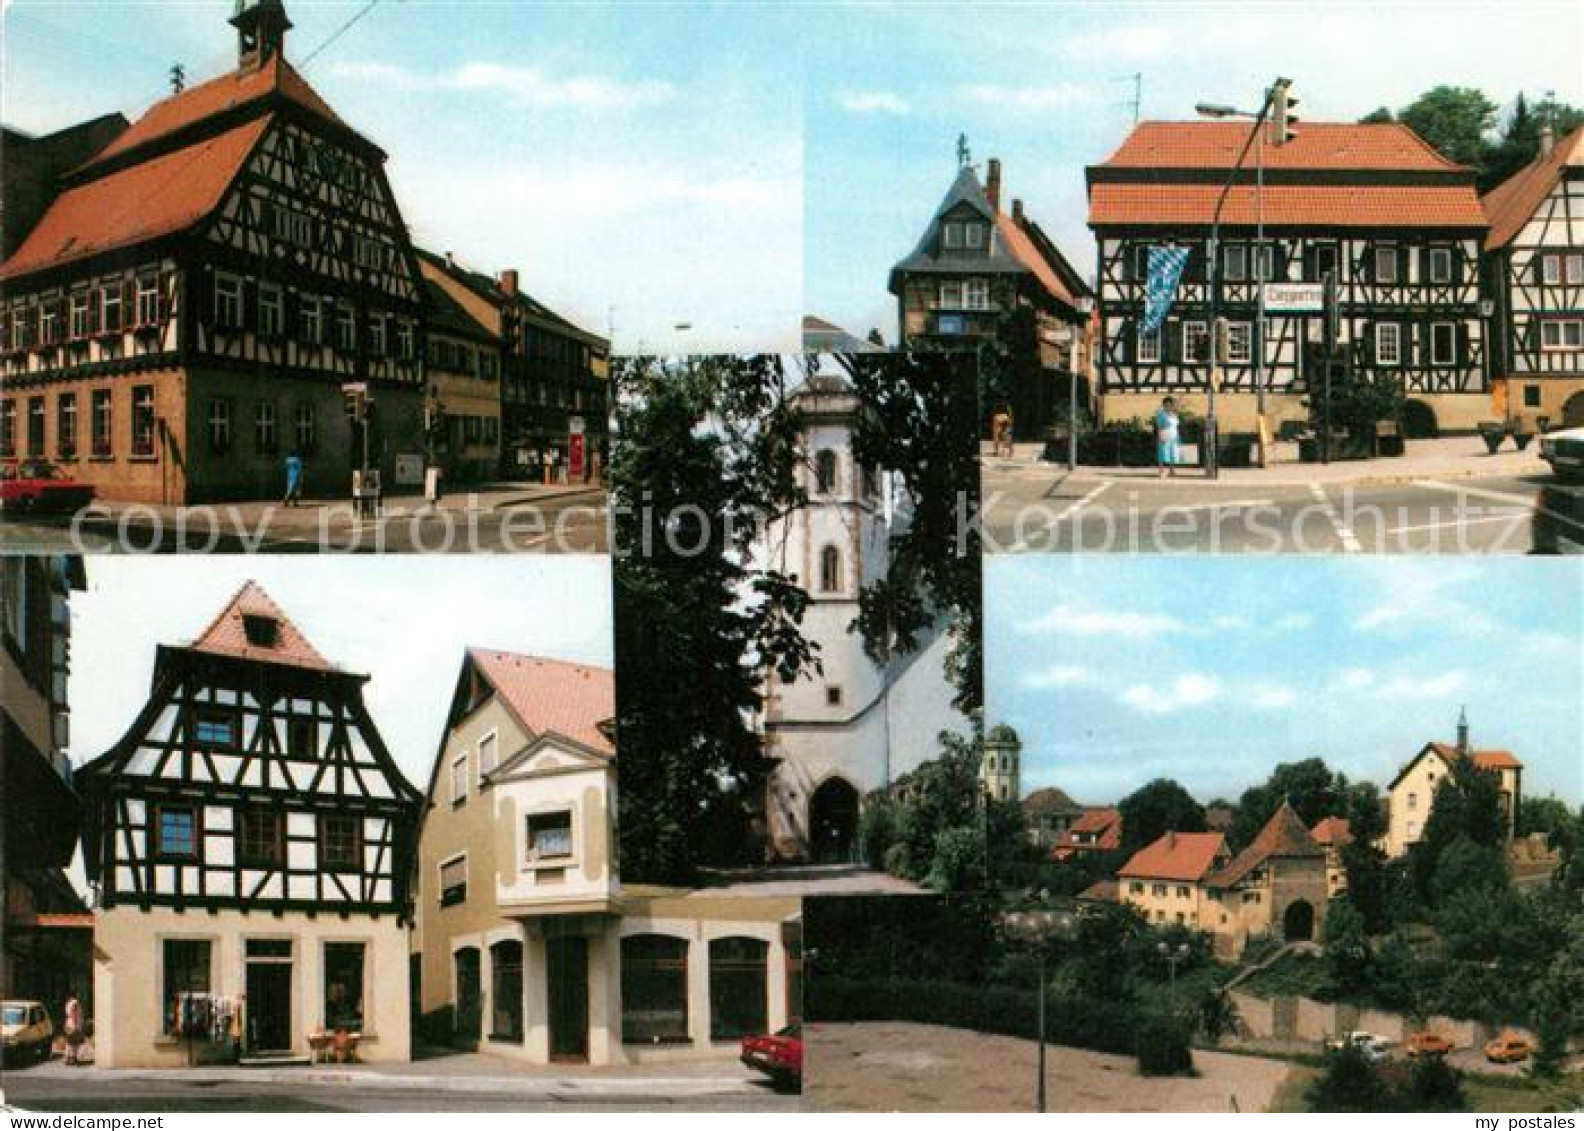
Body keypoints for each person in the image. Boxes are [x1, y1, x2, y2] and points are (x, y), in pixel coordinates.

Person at [1155, 396, 1180, 478]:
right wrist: (1160, 436)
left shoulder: (1174, 414)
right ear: (1163, 405)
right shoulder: (1161, 414)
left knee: (1173, 454)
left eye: (1170, 405)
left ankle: (1172, 471)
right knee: (1162, 454)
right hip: (1164, 436)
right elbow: (1159, 426)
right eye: (1166, 405)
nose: (1168, 406)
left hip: (1174, 437)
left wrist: (1177, 437)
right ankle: (1161, 471)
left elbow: (1176, 426)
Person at [62, 988, 83, 1065]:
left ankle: (67, 1058)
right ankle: (73, 1058)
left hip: (68, 1022)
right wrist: (75, 1024)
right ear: (75, 994)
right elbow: (74, 1013)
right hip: (74, 1024)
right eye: (77, 993)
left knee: (70, 1042)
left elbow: (68, 1014)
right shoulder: (75, 1002)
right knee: (75, 1042)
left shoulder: (68, 1003)